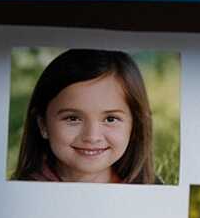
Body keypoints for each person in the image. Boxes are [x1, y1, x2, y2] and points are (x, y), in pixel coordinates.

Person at [11, 49, 160, 184]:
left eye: (110, 119)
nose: (92, 137)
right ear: (42, 124)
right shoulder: (19, 194)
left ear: (134, 126)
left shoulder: (156, 194)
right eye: (73, 118)